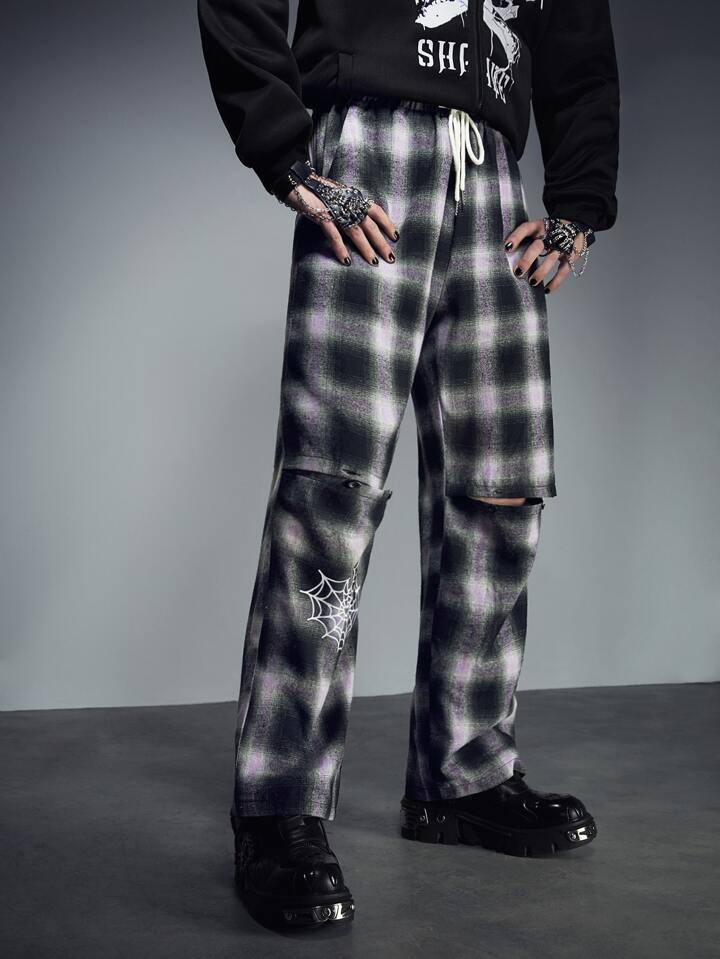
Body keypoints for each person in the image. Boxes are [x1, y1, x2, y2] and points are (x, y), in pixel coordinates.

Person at [197, 0, 620, 931]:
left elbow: (579, 40)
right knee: (333, 485)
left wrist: (580, 204)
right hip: (371, 150)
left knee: (503, 485)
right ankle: (279, 802)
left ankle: (462, 776)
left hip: (496, 174)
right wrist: (289, 156)